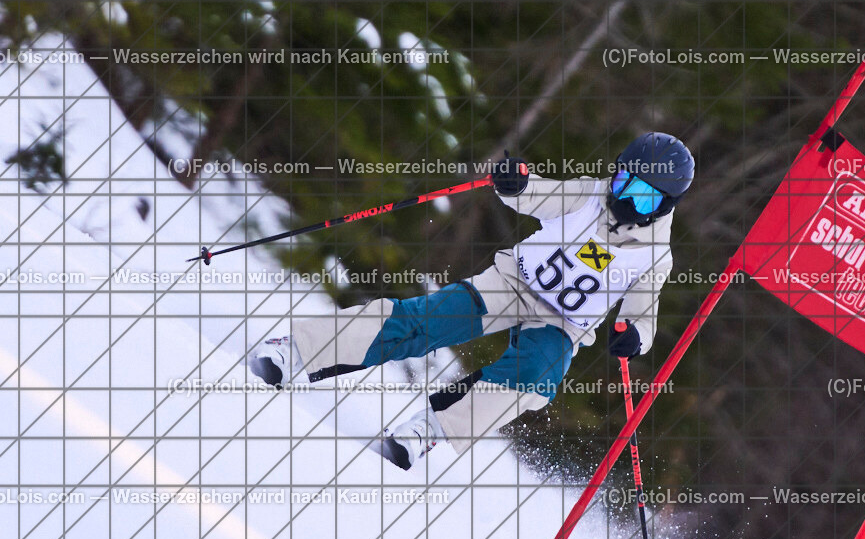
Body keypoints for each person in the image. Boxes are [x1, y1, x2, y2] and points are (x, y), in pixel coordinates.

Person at [250, 132, 694, 469]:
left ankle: (432, 429)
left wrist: (635, 337)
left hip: (563, 324)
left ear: (664, 204)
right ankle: (297, 351)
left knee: (535, 375)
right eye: (623, 179)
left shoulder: (655, 255)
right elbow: (538, 195)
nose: (624, 196)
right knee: (426, 321)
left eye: (643, 194)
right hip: (512, 283)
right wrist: (516, 183)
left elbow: (644, 315)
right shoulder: (589, 193)